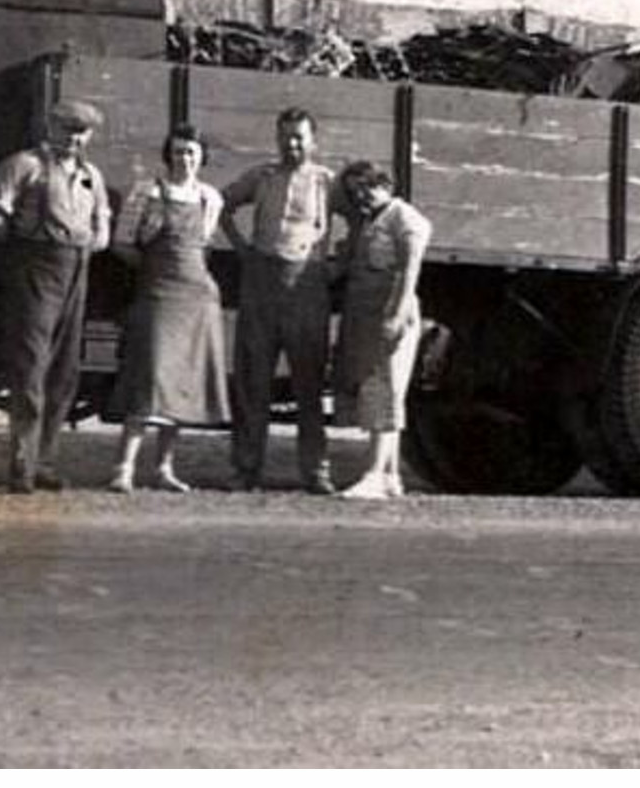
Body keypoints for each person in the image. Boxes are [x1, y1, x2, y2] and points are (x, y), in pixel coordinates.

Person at [0, 100, 112, 494]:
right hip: (34, 267)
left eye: (81, 131)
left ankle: (46, 461)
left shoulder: (92, 175)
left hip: (78, 268)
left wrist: (94, 239)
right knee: (31, 366)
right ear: (50, 126)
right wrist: (10, 233)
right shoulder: (24, 165)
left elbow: (102, 225)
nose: (73, 138)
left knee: (65, 370)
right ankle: (22, 461)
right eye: (66, 128)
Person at [219, 106, 338, 494]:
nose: (291, 145)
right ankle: (246, 468)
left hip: (306, 283)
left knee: (309, 382)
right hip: (261, 281)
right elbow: (222, 204)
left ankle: (315, 471)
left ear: (313, 140)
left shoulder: (326, 182)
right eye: (285, 137)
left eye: (299, 137)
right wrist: (242, 248)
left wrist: (340, 263)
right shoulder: (262, 176)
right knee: (253, 379)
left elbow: (364, 217)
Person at [107, 124, 231, 494]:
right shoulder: (147, 191)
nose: (185, 159)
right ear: (168, 156)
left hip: (197, 299)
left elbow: (204, 244)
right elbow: (122, 244)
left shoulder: (210, 198)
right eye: (178, 152)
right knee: (150, 378)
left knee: (181, 384)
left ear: (201, 157)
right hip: (159, 295)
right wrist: (153, 267)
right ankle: (124, 467)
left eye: (192, 152)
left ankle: (164, 467)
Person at [333, 160, 432, 500]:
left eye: (367, 187)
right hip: (369, 314)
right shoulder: (370, 221)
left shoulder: (405, 218)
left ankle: (375, 472)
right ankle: (390, 474)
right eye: (355, 191)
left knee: (385, 390)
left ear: (385, 185)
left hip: (390, 311)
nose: (361, 196)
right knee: (384, 390)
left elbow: (409, 272)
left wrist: (396, 316)